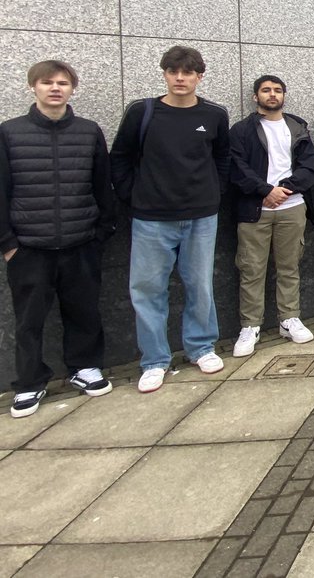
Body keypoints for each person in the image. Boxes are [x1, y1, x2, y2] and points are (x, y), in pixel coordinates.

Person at [110, 46, 230, 393]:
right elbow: (120, 157)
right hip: (151, 218)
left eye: (188, 72)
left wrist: (213, 193)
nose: (180, 78)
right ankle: (154, 360)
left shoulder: (215, 115)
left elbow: (221, 158)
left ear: (199, 77)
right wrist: (133, 197)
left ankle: (201, 347)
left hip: (201, 216)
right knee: (147, 290)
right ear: (164, 74)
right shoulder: (142, 112)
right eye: (173, 71)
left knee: (200, 284)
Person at [2, 61, 116, 417]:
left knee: (83, 311)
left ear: (72, 89)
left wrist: (100, 233)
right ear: (33, 87)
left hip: (80, 240)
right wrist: (8, 244)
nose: (55, 88)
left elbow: (102, 184)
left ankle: (84, 368)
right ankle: (30, 383)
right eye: (47, 82)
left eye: (62, 83)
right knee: (29, 319)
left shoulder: (87, 130)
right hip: (29, 246)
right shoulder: (9, 133)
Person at [228, 75, 314, 357]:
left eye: (277, 90)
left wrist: (285, 189)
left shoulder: (297, 127)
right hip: (255, 208)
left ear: (284, 95)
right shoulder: (242, 129)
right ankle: (251, 325)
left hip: (291, 207)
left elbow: (310, 165)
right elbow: (237, 166)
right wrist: (265, 190)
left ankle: (289, 318)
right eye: (266, 90)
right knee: (251, 268)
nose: (272, 95)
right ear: (256, 97)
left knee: (289, 266)